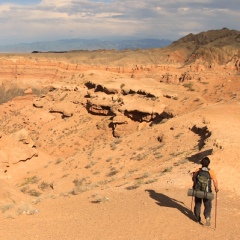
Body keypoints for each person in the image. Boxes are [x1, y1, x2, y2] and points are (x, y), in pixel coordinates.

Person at [192, 156, 219, 226]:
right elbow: (215, 181)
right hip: (207, 192)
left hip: (197, 191)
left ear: (202, 163)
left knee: (198, 204)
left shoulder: (198, 170)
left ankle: (197, 218)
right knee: (208, 205)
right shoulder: (211, 172)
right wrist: (216, 188)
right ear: (208, 164)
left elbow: (193, 179)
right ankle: (207, 217)